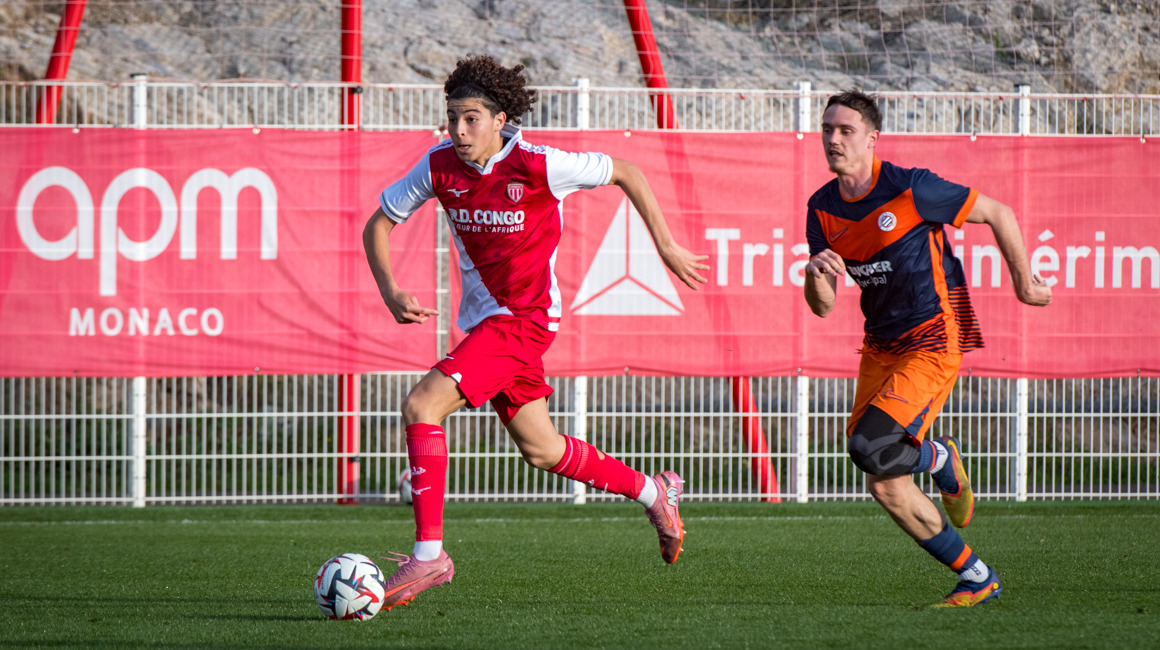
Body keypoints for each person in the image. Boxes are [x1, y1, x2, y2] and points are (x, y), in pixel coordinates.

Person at [363, 54, 710, 611]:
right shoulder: (438, 166)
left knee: (422, 405)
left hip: (524, 320)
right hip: (488, 324)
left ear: (500, 120)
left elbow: (627, 171)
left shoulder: (539, 164)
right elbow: (378, 223)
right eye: (452, 118)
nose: (459, 130)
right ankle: (655, 492)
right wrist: (390, 290)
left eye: (471, 118)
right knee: (543, 449)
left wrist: (666, 247)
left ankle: (430, 555)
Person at [803, 90, 1052, 607]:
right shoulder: (821, 207)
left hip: (935, 337)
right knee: (884, 482)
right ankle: (977, 577)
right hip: (881, 346)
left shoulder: (911, 187)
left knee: (868, 447)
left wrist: (1025, 283)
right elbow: (822, 306)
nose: (833, 139)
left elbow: (999, 212)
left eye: (846, 130)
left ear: (872, 138)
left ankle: (939, 456)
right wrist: (815, 274)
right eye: (827, 129)